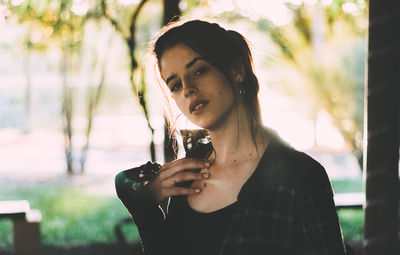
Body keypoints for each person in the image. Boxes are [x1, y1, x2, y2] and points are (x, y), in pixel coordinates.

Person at [115, 19, 349, 255]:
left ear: (236, 70)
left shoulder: (302, 176)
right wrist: (146, 210)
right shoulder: (185, 177)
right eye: (175, 85)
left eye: (199, 70)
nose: (187, 89)